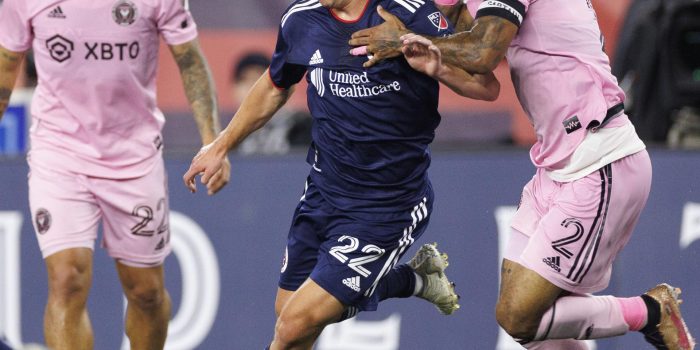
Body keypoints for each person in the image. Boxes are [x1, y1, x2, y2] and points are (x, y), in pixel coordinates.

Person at [348, 0, 695, 349]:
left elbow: (482, 51)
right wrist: (435, 58)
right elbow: (485, 82)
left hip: (598, 159)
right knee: (536, 334)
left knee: (519, 316)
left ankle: (652, 311)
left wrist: (405, 38)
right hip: (556, 167)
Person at [183, 0, 499, 348]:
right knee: (288, 314)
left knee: (292, 326)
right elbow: (275, 86)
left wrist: (422, 55)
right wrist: (221, 144)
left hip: (387, 205)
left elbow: (486, 86)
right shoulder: (301, 19)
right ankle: (413, 281)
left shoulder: (408, 12)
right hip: (323, 193)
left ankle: (410, 281)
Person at [0, 0, 230, 349]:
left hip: (133, 156)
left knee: (146, 293)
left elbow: (189, 60)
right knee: (66, 279)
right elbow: (6, 66)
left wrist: (213, 141)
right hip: (59, 151)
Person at [230, 52, 313, 155]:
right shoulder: (227, 141)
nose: (250, 86)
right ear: (234, 89)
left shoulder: (304, 128)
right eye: (244, 80)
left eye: (257, 79)